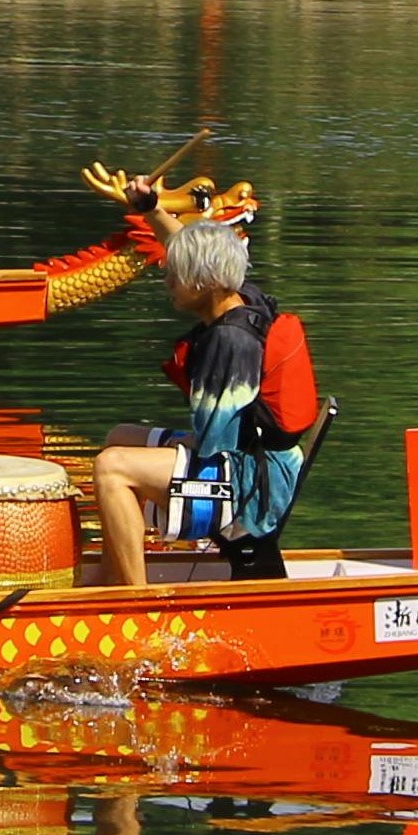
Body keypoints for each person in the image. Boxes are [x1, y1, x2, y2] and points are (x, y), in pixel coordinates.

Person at [92, 217, 322, 590]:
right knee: (118, 436)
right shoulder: (244, 297)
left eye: (177, 275)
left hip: (248, 481)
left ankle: (134, 597)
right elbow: (195, 246)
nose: (168, 282)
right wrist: (151, 208)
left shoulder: (230, 340)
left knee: (111, 467)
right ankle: (109, 575)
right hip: (250, 453)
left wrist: (173, 444)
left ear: (206, 282)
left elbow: (216, 443)